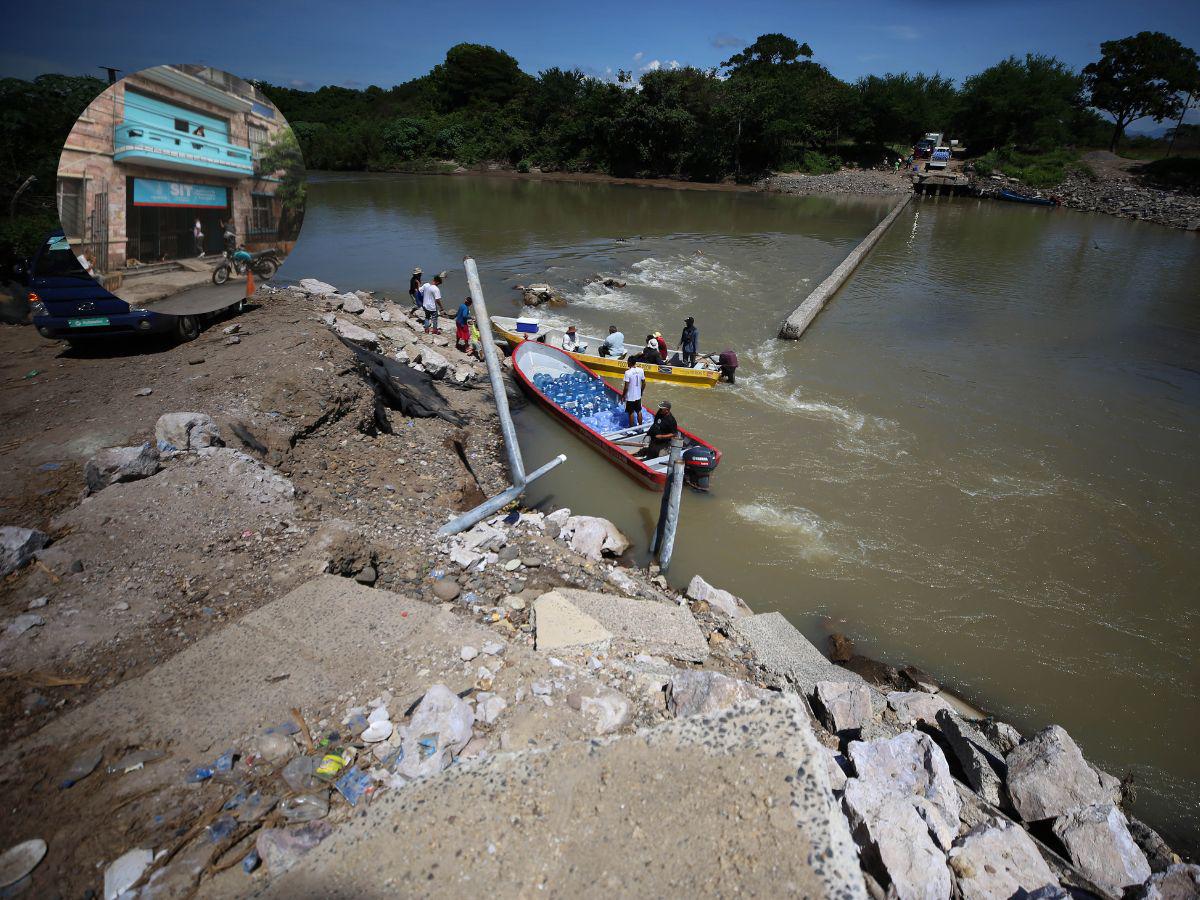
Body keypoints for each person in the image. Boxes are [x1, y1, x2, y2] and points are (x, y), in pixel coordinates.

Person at [621, 357, 646, 427]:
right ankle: (641, 427)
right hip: (638, 395)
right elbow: (644, 383)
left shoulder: (627, 373)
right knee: (639, 411)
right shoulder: (641, 370)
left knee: (631, 412)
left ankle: (631, 429)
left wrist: (623, 396)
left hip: (630, 397)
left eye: (627, 362)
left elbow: (626, 387)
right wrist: (641, 391)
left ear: (629, 362)